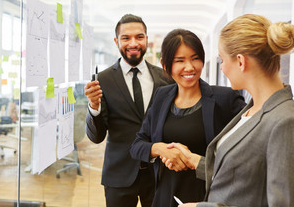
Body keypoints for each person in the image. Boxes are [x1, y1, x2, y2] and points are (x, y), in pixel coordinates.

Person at [167, 14, 294, 207]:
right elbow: (243, 177)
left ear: (241, 62)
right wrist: (194, 160)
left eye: (222, 60)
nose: (223, 68)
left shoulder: (285, 121)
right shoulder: (252, 109)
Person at [130, 29, 246, 207]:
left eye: (195, 58)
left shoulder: (226, 99)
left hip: (205, 199)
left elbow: (244, 157)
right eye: (180, 61)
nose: (190, 67)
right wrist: (160, 149)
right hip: (164, 197)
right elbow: (137, 145)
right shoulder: (162, 96)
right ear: (165, 64)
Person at [84, 14, 173, 207]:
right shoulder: (103, 80)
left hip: (159, 173)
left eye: (139, 37)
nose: (133, 43)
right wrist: (94, 106)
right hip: (119, 175)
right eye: (126, 38)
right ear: (117, 41)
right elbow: (96, 137)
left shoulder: (165, 78)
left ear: (146, 39)